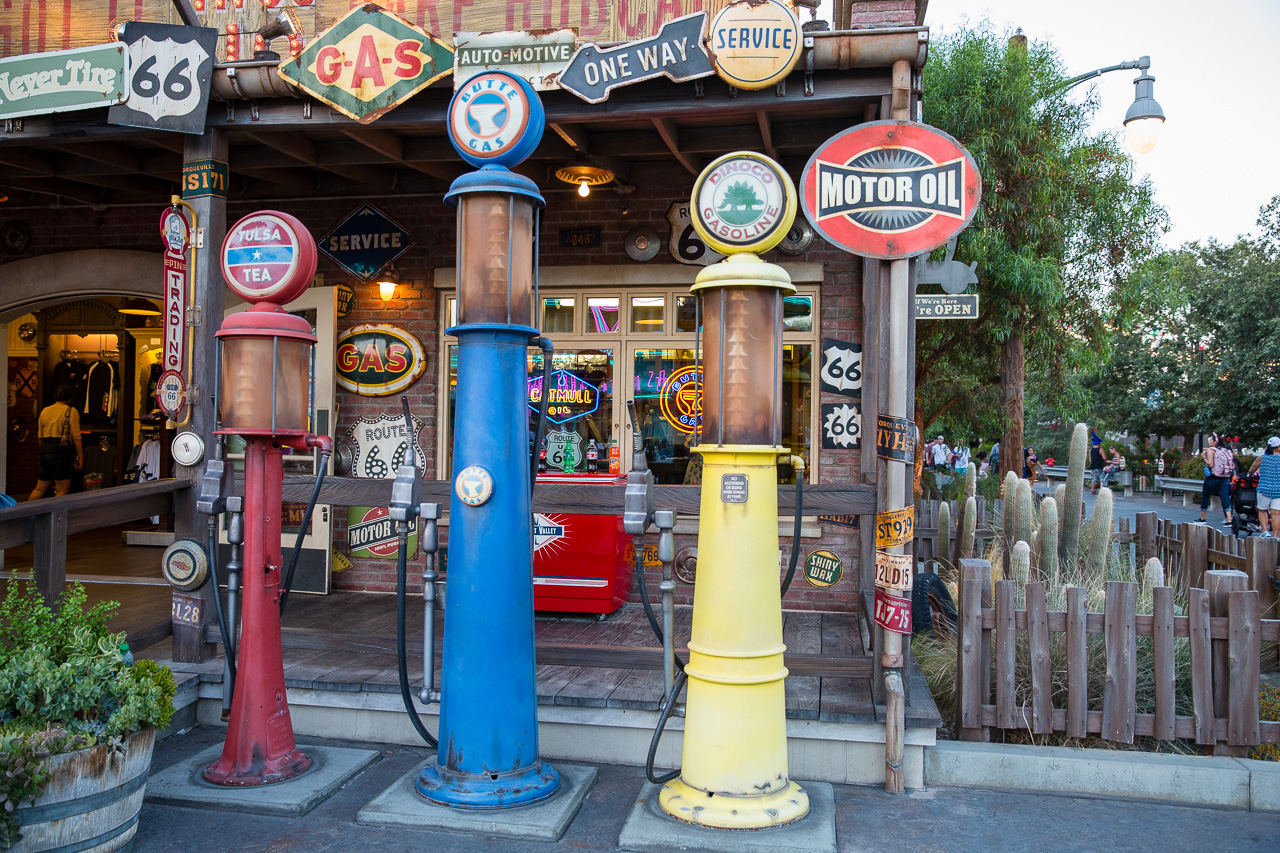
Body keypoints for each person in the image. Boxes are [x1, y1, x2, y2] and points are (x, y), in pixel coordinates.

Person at [29, 385, 82, 500]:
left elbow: (40, 437)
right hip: (61, 452)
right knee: (62, 489)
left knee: (40, 488)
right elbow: (76, 437)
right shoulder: (71, 411)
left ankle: (26, 514)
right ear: (69, 398)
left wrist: (43, 452)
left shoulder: (45, 411)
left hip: (45, 450)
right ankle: (55, 517)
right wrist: (80, 458)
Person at [1198, 433, 1235, 527]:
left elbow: (1210, 464)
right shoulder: (1226, 450)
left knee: (1206, 495)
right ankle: (1229, 519)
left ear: (1215, 442)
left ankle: (1202, 518)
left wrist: (1204, 457)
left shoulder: (1211, 450)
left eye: (1210, 440)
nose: (1208, 441)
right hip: (1225, 477)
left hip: (1212, 477)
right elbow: (1233, 465)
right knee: (1225, 497)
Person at [1248, 437, 1280, 537]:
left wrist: (1250, 475)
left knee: (1262, 510)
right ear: (1278, 447)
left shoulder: (1262, 458)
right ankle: (1275, 536)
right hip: (1278, 489)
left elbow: (1252, 469)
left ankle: (1265, 532)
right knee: (1276, 513)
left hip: (1264, 488)